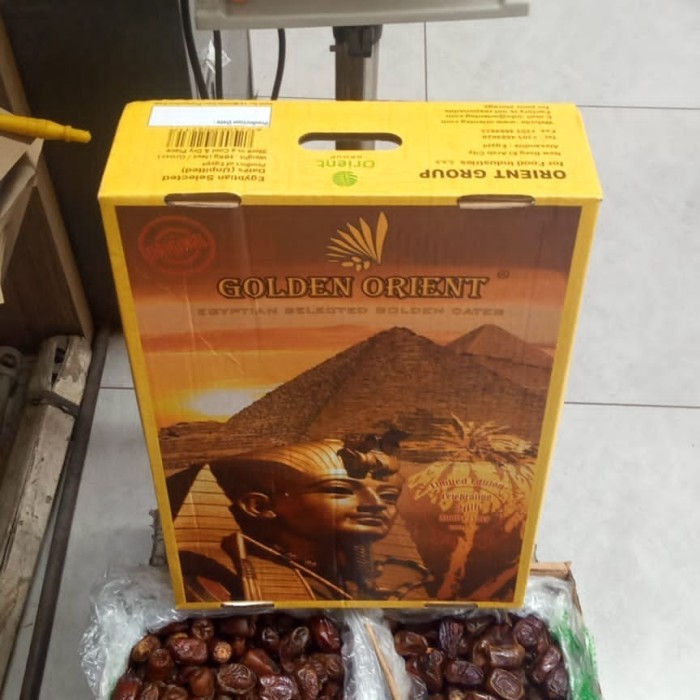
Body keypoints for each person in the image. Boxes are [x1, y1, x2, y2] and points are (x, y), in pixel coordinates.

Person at [179, 431, 431, 602]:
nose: (376, 505)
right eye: (339, 490)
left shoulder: (404, 577)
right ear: (258, 506)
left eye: (389, 496)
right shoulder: (218, 581)